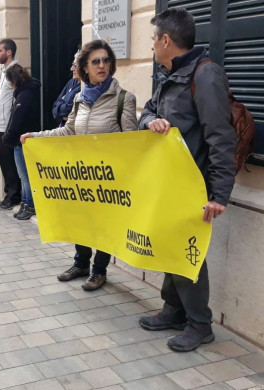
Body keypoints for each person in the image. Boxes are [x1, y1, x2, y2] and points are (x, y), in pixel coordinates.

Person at [137, 8, 236, 352]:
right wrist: (150, 121)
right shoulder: (170, 74)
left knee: (187, 252)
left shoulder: (205, 75)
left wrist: (219, 195)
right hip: (169, 183)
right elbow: (147, 110)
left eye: (153, 38)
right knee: (169, 246)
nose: (151, 45)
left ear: (166, 40)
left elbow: (221, 138)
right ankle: (174, 309)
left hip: (194, 186)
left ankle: (200, 324)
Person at [21, 40, 137, 290]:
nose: (102, 65)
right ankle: (81, 263)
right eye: (95, 61)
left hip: (110, 178)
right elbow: (69, 131)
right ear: (84, 67)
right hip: (82, 175)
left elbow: (132, 142)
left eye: (106, 60)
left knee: (105, 225)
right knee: (82, 221)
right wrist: (36, 136)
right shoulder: (79, 99)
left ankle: (99, 270)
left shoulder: (123, 99)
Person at [2, 64, 41, 220]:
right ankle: (26, 202)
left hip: (23, 140)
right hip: (23, 138)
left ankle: (29, 204)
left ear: (14, 81)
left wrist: (8, 136)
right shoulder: (27, 91)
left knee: (25, 175)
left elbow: (17, 119)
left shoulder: (24, 95)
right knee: (24, 175)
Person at [0, 38, 22, 210]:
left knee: (10, 164)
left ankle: (14, 195)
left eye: (0, 50)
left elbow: (18, 98)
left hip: (6, 125)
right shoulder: (4, 71)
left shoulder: (15, 71)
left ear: (9, 52)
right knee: (4, 163)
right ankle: (8, 193)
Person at [52, 53, 81, 126]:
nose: (71, 69)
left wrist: (62, 104)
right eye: (72, 65)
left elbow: (70, 110)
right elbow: (55, 106)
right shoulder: (71, 82)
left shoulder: (85, 87)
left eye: (75, 66)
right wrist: (62, 113)